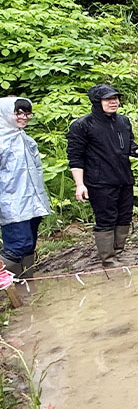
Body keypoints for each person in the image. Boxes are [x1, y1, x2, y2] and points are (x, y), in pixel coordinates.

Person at [67, 84, 138, 267]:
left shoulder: (123, 121)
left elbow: (127, 143)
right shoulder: (82, 125)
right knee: (106, 218)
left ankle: (118, 251)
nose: (113, 102)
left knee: (125, 216)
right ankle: (108, 258)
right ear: (97, 102)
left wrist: (136, 150)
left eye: (115, 98)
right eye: (108, 99)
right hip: (99, 181)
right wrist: (80, 184)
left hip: (124, 177)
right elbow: (75, 157)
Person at [0, 98, 51, 278]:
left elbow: (36, 170)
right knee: (18, 245)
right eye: (18, 113)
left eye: (27, 113)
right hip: (11, 202)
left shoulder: (26, 140)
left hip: (33, 201)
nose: (24, 117)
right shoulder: (1, 141)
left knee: (29, 245)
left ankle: (26, 284)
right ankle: (4, 283)